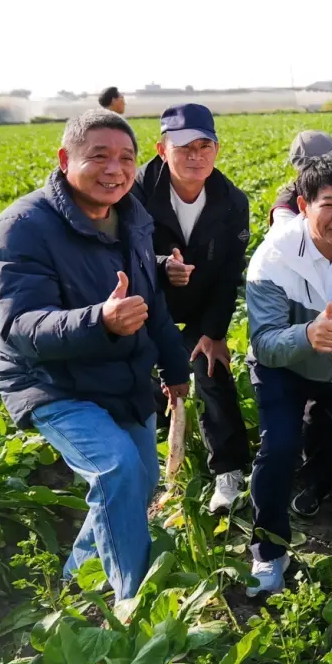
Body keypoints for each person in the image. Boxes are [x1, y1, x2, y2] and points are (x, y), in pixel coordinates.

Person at [0, 109, 190, 601]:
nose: (115, 170)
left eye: (126, 158)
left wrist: (176, 370)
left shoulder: (133, 218)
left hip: (121, 377)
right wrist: (99, 320)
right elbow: (17, 328)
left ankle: (76, 579)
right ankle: (132, 604)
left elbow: (150, 303)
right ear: (64, 159)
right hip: (52, 382)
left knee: (136, 486)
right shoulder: (21, 227)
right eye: (98, 157)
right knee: (116, 468)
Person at [244, 156, 332, 595]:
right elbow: (265, 342)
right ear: (304, 205)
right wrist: (306, 334)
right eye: (329, 204)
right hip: (282, 371)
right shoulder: (273, 258)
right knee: (280, 448)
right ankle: (269, 550)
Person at [133, 104, 251, 513]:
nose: (196, 155)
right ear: (162, 149)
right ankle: (145, 470)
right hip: (145, 301)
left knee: (211, 367)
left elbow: (228, 275)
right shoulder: (134, 192)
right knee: (138, 375)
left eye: (205, 145)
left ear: (217, 149)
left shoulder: (232, 201)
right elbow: (118, 252)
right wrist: (163, 266)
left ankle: (229, 470)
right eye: (184, 147)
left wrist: (214, 331)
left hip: (202, 302)